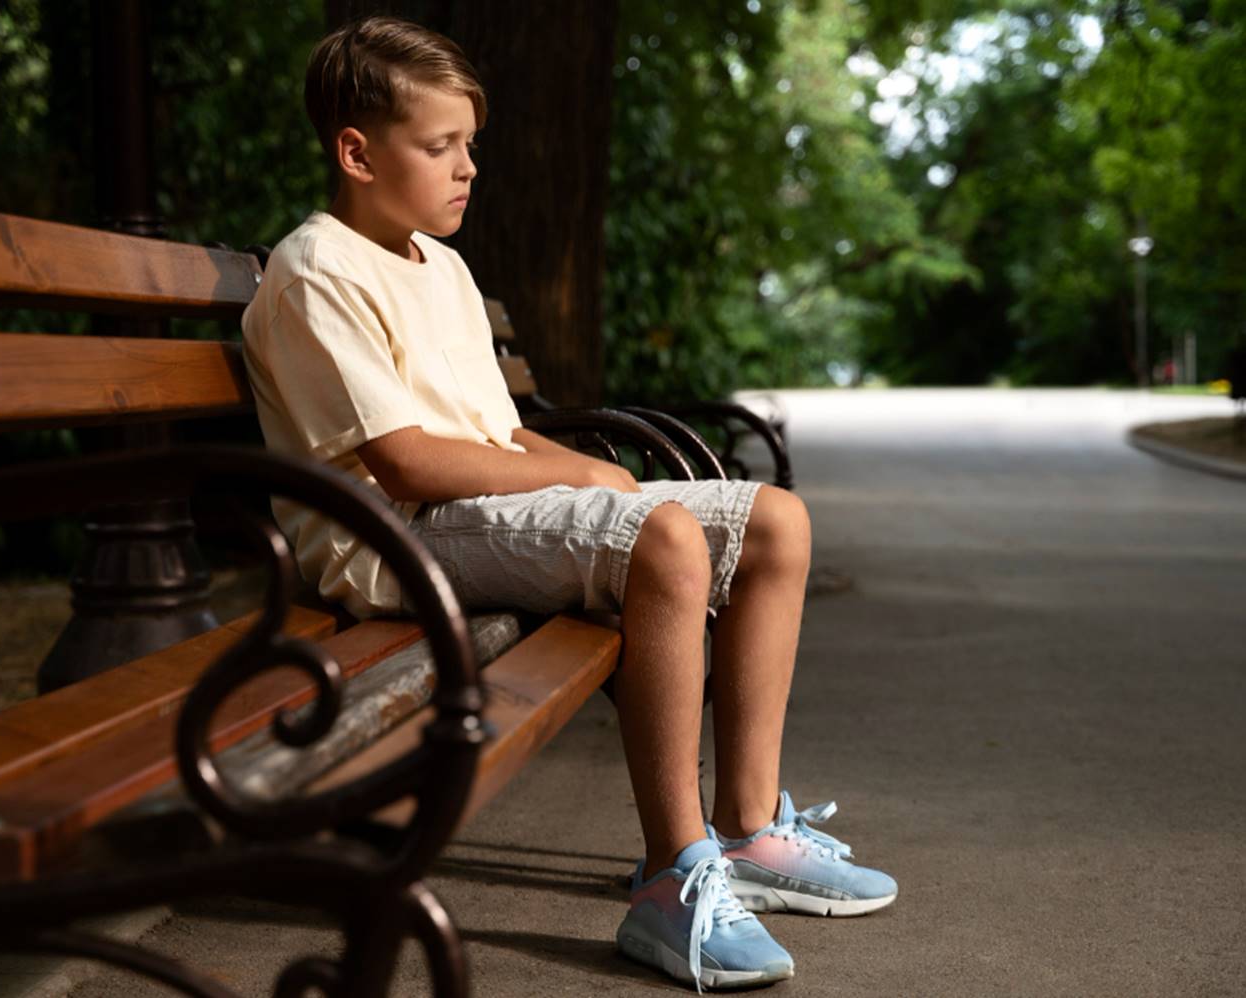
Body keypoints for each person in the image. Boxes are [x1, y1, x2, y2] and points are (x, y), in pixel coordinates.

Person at [241, 15, 896, 991]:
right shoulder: (317, 268)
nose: (468, 167)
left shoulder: (442, 264)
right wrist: (594, 483)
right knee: (664, 541)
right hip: (396, 542)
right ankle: (673, 878)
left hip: (462, 518)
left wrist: (607, 475)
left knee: (770, 521)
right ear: (356, 151)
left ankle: (749, 828)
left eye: (472, 145)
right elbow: (409, 459)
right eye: (441, 146)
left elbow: (501, 438)